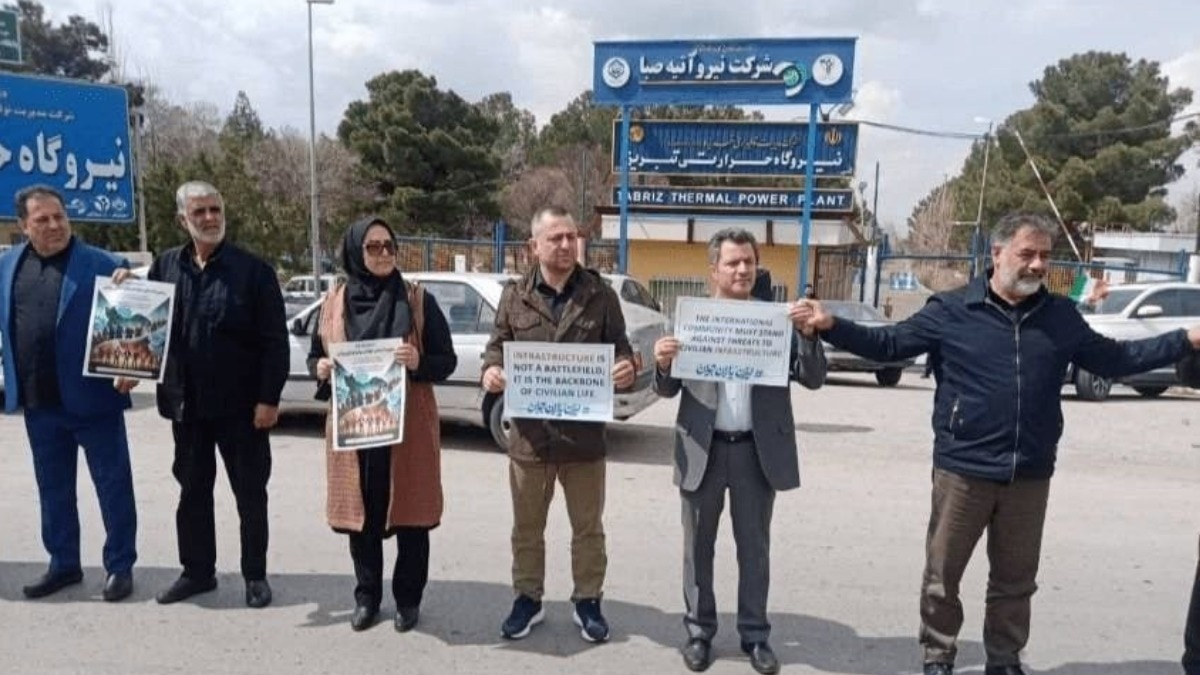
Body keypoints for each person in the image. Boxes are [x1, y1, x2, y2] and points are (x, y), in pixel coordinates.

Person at [801, 212, 1200, 675]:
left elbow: (1117, 359)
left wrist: (1186, 339)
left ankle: (1005, 659)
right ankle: (938, 655)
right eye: (1026, 254)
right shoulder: (951, 310)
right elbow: (890, 345)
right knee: (942, 577)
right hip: (963, 470)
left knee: (1015, 581)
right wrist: (831, 325)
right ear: (997, 254)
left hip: (1029, 472)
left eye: (1045, 257)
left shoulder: (1060, 317)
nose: (1036, 265)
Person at [651, 228, 827, 674]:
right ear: (714, 270)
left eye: (749, 261)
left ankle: (755, 635)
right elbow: (667, 388)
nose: (743, 269)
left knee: (755, 550)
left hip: (755, 451)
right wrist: (663, 362)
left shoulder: (775, 323)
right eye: (733, 263)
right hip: (702, 450)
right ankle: (698, 633)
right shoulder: (690, 320)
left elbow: (812, 377)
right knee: (698, 550)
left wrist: (807, 335)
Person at [482, 207, 636, 643]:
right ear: (535, 246)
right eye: (556, 238)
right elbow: (497, 349)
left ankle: (588, 601)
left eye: (572, 236)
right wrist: (491, 373)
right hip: (530, 441)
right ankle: (527, 600)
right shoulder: (515, 296)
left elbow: (621, 349)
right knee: (527, 529)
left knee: (588, 529)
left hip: (584, 442)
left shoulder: (600, 295)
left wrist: (625, 366)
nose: (567, 245)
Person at [137, 181, 289, 608]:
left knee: (250, 495)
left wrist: (268, 399)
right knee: (192, 493)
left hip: (241, 410)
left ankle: (255, 576)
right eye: (199, 211)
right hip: (185, 406)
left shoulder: (253, 272)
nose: (209, 218)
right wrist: (128, 367)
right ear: (182, 219)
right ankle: (197, 572)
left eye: (215, 209)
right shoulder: (164, 268)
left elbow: (274, 342)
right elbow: (145, 328)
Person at [308, 217, 457, 632]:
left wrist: (419, 363)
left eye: (389, 246)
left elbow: (447, 361)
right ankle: (367, 598)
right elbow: (314, 355)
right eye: (373, 247)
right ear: (355, 251)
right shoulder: (334, 302)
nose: (384, 254)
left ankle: (408, 600)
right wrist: (320, 367)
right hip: (357, 430)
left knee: (410, 515)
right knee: (363, 518)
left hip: (407, 431)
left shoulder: (416, 300)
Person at [0, 185, 138, 602]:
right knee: (53, 490)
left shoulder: (104, 264)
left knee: (113, 488)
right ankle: (63, 564)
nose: (54, 225)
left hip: (93, 402)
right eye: (42, 219)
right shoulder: (7, 267)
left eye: (59, 216)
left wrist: (131, 364)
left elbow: (136, 313)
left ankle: (120, 566)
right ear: (24, 226)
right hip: (39, 404)